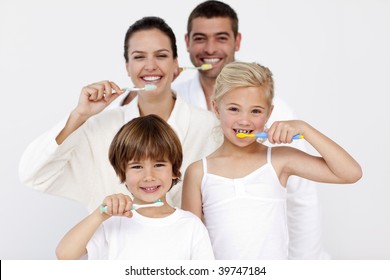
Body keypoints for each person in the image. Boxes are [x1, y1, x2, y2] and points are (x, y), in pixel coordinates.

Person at [19, 16, 220, 212]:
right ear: (127, 67)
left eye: (161, 55)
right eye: (139, 57)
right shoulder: (99, 129)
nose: (150, 65)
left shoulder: (208, 126)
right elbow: (35, 175)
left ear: (176, 65)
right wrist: (80, 115)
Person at [182, 61, 362, 260]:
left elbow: (350, 173)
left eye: (256, 111)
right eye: (234, 109)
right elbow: (190, 246)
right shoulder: (199, 172)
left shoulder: (279, 160)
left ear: (269, 112)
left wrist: (304, 128)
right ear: (216, 108)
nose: (244, 120)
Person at [56, 115, 214, 260]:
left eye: (159, 165)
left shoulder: (190, 226)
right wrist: (99, 214)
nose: (149, 176)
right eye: (137, 166)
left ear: (174, 170)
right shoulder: (112, 223)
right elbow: (65, 255)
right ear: (122, 173)